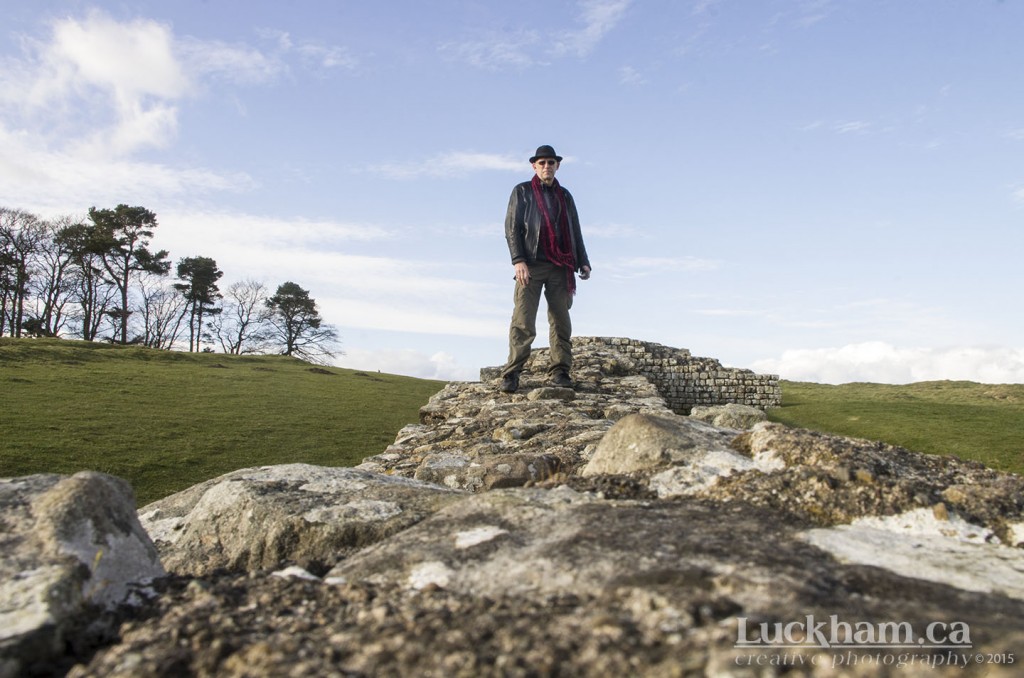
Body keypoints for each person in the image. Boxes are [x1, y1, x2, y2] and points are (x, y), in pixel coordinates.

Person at [499, 144, 591, 393]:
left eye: (551, 162)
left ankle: (560, 370)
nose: (547, 166)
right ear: (534, 166)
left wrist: (583, 260)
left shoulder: (565, 196)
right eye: (542, 163)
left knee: (561, 320)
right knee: (523, 320)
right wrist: (518, 259)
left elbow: (575, 230)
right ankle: (512, 373)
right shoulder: (522, 191)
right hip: (530, 265)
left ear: (557, 165)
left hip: (561, 266)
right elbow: (512, 228)